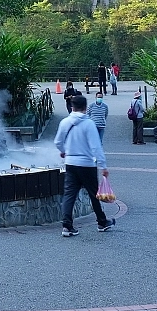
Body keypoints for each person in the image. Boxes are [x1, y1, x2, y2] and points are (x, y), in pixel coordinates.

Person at [55, 94, 114, 237]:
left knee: (69, 194)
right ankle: (102, 221)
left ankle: (67, 226)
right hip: (87, 164)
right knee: (94, 194)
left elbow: (58, 142)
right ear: (86, 108)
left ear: (71, 107)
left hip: (70, 163)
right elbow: (96, 147)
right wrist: (103, 166)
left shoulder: (65, 122)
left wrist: (64, 151)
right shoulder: (89, 124)